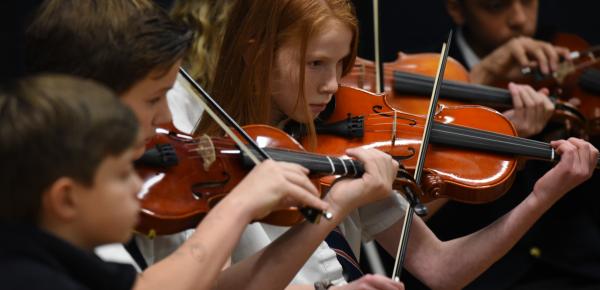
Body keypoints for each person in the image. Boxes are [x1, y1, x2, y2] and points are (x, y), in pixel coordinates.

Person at [174, 0, 596, 289]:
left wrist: (540, 198)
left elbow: (441, 269)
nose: (330, 85)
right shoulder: (203, 152)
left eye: (341, 64)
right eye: (315, 63)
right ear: (256, 53)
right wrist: (336, 205)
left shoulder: (338, 140)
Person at [24, 1, 405, 289]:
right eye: (155, 99)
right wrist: (241, 204)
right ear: (89, 95)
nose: (168, 123)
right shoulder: (60, 203)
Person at [402, 1, 600, 289]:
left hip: (576, 270)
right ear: (456, 8)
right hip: (483, 278)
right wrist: (480, 78)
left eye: (529, 2)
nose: (520, 20)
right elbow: (408, 199)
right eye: (496, 7)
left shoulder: (561, 61)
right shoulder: (426, 73)